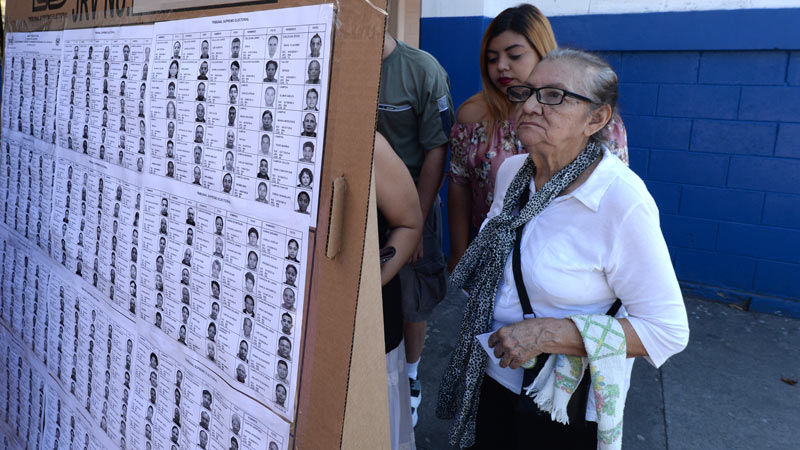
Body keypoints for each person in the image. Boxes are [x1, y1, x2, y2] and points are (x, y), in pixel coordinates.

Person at [437, 49, 689, 449]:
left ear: (596, 118)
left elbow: (667, 331)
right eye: (526, 92)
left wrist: (546, 335)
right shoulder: (512, 173)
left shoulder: (620, 200)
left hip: (562, 399)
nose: (531, 105)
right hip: (494, 370)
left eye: (554, 96)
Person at [446, 4, 629, 274]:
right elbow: (459, 185)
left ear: (543, 53)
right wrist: (460, 255)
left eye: (515, 55)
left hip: (566, 258)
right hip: (490, 253)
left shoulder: (588, 117)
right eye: (492, 58)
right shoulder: (473, 116)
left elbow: (615, 193)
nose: (501, 67)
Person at [377, 15, 454, 427]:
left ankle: (410, 378)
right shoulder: (335, 60)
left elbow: (437, 150)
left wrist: (419, 220)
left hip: (412, 204)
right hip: (365, 209)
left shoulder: (421, 69)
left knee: (414, 297)